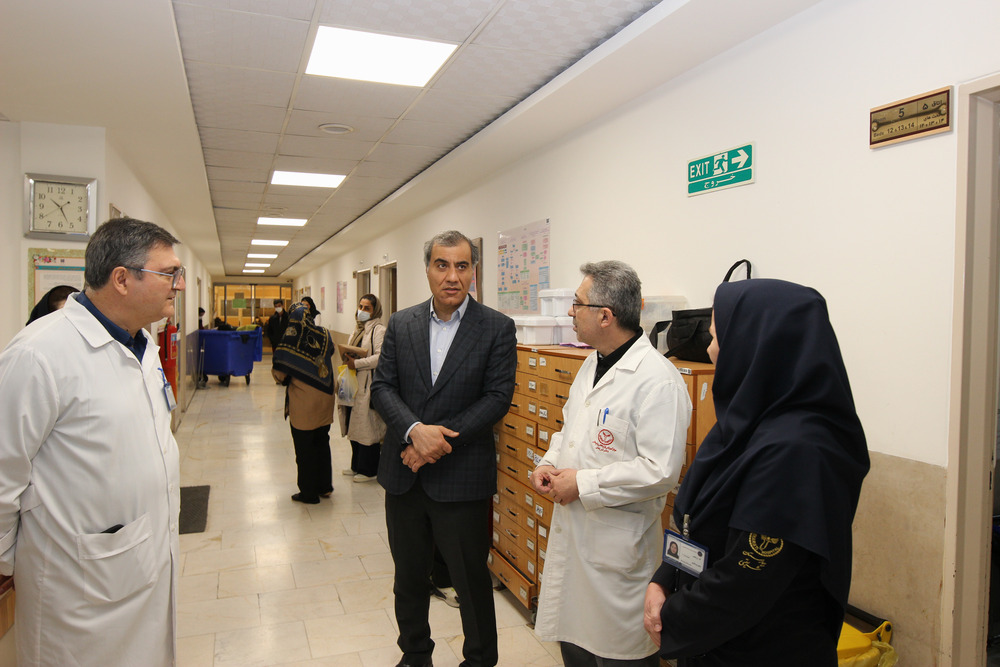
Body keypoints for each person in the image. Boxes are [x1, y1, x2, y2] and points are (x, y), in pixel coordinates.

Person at [643, 279, 870, 667]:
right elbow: (695, 522)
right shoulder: (748, 421)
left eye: (717, 337)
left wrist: (673, 618)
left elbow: (747, 578)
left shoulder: (798, 451)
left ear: (758, 343)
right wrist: (664, 579)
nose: (710, 349)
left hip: (763, 648)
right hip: (716, 638)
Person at [0, 216, 184, 666]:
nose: (178, 285)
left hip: (144, 566)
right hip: (79, 591)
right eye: (168, 273)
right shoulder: (38, 354)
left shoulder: (142, 345)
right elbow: (4, 471)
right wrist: (6, 565)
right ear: (122, 279)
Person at [530, 260, 691, 667]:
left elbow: (659, 471)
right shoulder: (592, 363)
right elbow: (570, 431)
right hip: (576, 542)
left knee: (618, 657)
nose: (570, 311)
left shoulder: (658, 381)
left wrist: (582, 484)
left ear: (605, 316)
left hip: (618, 556)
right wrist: (549, 463)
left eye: (577, 303)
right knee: (576, 650)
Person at [371, 230, 517, 667]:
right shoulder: (402, 324)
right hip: (404, 476)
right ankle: (415, 654)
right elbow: (383, 388)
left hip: (462, 478)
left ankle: (480, 660)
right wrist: (414, 430)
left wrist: (434, 443)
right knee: (408, 578)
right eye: (442, 265)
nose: (452, 276)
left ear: (473, 272)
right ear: (428, 270)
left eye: (462, 266)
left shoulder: (496, 327)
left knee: (471, 581)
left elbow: (496, 398)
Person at [271, 302, 336, 504]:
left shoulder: (290, 338)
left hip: (304, 404)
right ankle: (325, 486)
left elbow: (280, 374)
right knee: (322, 444)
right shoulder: (324, 334)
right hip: (325, 399)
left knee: (305, 450)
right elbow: (331, 352)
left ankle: (309, 493)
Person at [337, 293, 387, 483]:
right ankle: (356, 465)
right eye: (361, 307)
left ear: (375, 311)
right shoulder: (358, 329)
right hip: (351, 383)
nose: (362, 311)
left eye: (367, 308)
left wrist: (357, 363)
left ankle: (369, 470)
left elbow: (381, 357)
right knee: (353, 422)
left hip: (367, 384)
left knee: (367, 427)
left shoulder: (379, 330)